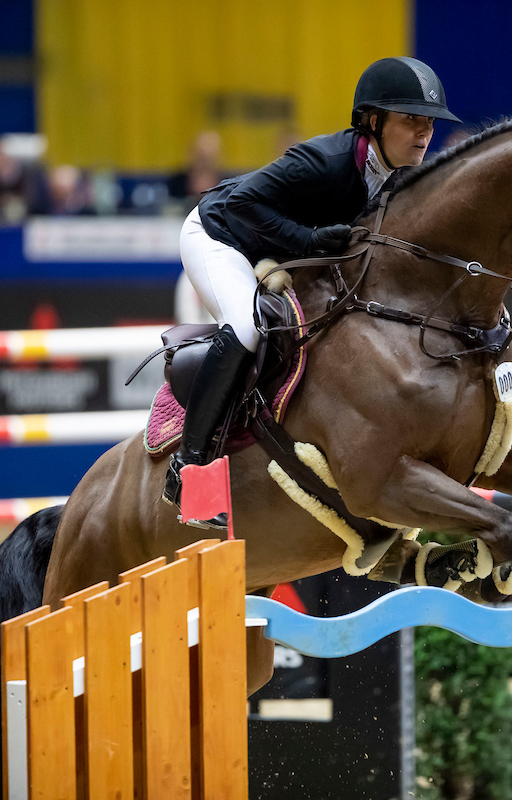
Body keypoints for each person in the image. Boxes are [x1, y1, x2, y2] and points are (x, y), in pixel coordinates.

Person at [165, 56, 460, 522]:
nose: (424, 132)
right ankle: (190, 467)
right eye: (411, 120)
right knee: (244, 327)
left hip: (274, 250)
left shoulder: (399, 179)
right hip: (218, 233)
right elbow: (240, 205)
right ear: (373, 121)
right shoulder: (325, 161)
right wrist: (307, 240)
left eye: (428, 122)